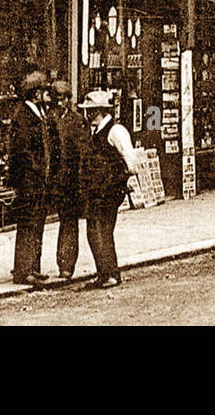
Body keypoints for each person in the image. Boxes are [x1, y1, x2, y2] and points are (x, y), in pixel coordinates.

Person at [78, 89, 135, 288]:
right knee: (94, 230)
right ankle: (103, 272)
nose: (88, 115)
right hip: (96, 189)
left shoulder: (115, 131)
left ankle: (111, 273)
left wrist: (118, 179)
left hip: (109, 190)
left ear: (101, 110)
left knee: (102, 229)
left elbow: (131, 161)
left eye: (91, 111)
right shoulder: (94, 131)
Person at [7, 70, 51, 286]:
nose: (46, 95)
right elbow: (22, 150)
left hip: (39, 180)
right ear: (36, 93)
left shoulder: (38, 112)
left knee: (37, 223)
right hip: (29, 180)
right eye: (44, 91)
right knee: (28, 224)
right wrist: (36, 170)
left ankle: (34, 266)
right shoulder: (23, 115)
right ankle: (24, 270)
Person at [46, 79, 87, 282]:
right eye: (56, 99)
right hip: (52, 179)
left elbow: (82, 152)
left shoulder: (76, 120)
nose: (59, 103)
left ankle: (66, 265)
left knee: (69, 223)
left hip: (70, 180)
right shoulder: (47, 119)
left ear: (69, 99)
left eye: (62, 99)